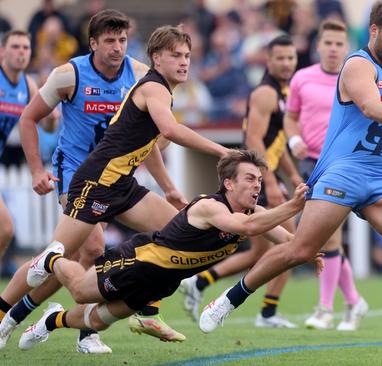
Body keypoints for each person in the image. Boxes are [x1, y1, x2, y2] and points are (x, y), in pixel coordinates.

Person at [200, 1, 382, 365]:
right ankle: (230, 299)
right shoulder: (357, 64)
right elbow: (369, 106)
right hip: (342, 172)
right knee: (301, 251)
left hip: (380, 177)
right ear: (373, 30)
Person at [0, 23, 230, 349]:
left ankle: (145, 310)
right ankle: (9, 315)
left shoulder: (138, 74)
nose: (118, 47)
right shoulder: (70, 75)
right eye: (110, 40)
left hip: (122, 181)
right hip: (84, 175)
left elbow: (148, 139)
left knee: (177, 232)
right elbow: (29, 118)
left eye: (122, 40)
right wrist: (37, 169)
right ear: (93, 43)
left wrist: (168, 187)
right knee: (79, 252)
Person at [17, 150, 316, 351]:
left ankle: (50, 320)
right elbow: (246, 228)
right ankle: (52, 258)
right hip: (137, 262)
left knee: (96, 321)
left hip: (161, 283)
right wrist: (292, 205)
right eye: (250, 179)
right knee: (82, 293)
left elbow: (287, 239)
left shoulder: (255, 213)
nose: (257, 186)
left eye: (260, 181)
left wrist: (307, 249)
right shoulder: (211, 206)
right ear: (228, 183)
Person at [179, 35, 301, 329]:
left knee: (260, 251)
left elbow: (276, 141)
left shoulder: (284, 92)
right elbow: (254, 140)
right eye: (280, 58)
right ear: (268, 61)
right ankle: (268, 313)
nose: (286, 63)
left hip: (270, 174)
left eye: (291, 58)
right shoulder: (265, 93)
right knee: (291, 246)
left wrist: (292, 174)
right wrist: (270, 182)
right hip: (263, 178)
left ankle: (199, 281)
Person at [284, 18, 367, 331]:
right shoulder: (302, 79)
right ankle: (354, 301)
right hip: (310, 165)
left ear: (347, 48)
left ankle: (325, 309)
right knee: (316, 236)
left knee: (327, 236)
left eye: (338, 44)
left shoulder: (355, 78)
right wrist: (294, 139)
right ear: (318, 46)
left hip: (341, 164)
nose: (333, 49)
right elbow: (291, 118)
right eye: (328, 43)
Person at [0, 31, 39, 266]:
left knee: (5, 230)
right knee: (5, 227)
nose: (21, 52)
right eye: (15, 47)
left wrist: (52, 117)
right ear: (3, 51)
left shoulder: (28, 84)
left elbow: (46, 120)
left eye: (25, 47)